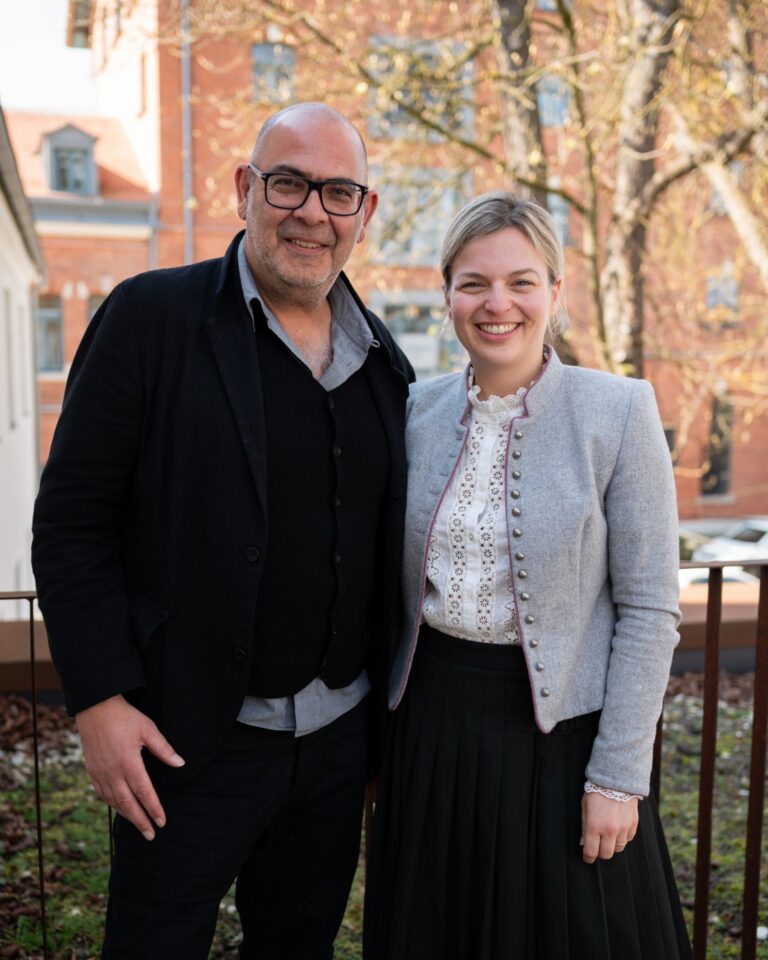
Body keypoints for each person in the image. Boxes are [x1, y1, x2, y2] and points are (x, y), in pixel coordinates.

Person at [31, 102, 414, 960]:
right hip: (184, 742)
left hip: (334, 750)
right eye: (288, 184)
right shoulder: (147, 319)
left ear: (365, 213)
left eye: (338, 192)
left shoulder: (387, 364)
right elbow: (70, 526)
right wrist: (98, 700)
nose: (312, 211)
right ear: (245, 188)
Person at [364, 191, 692, 959]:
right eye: (473, 282)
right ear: (448, 294)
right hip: (432, 734)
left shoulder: (618, 411)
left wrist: (618, 778)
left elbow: (650, 607)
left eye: (520, 281)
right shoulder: (413, 409)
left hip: (564, 745)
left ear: (554, 292)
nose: (496, 303)